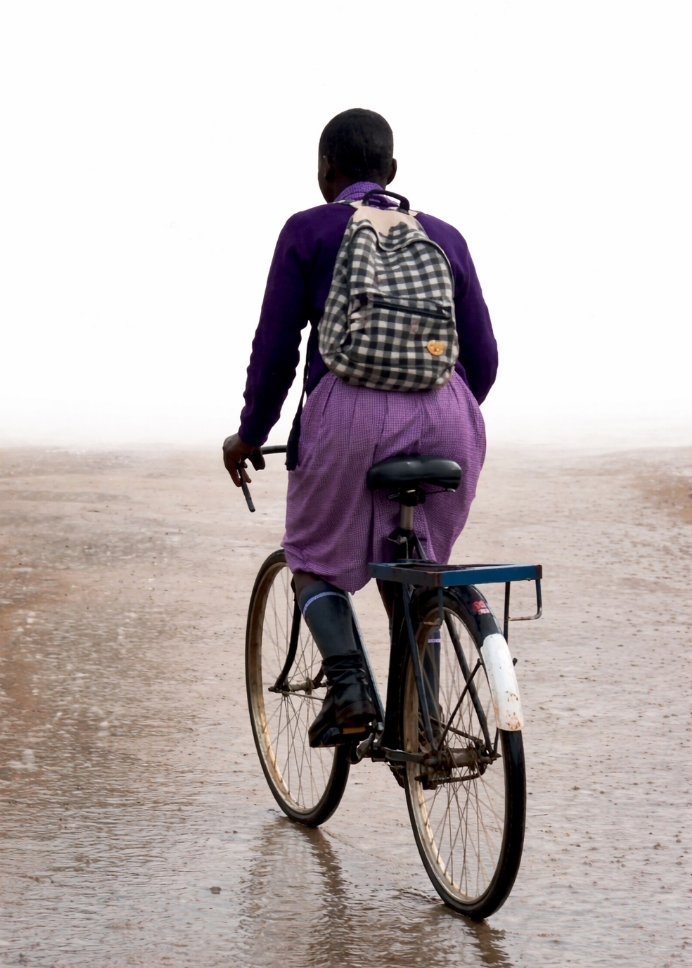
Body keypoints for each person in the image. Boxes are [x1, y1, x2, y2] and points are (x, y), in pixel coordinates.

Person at [223, 108, 497, 747]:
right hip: (449, 416)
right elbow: (482, 360)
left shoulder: (308, 230)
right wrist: (432, 407)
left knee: (312, 556)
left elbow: (275, 352)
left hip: (348, 417)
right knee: (419, 570)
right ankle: (425, 723)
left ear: (325, 172)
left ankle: (350, 693)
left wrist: (249, 430)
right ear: (393, 171)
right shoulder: (444, 236)